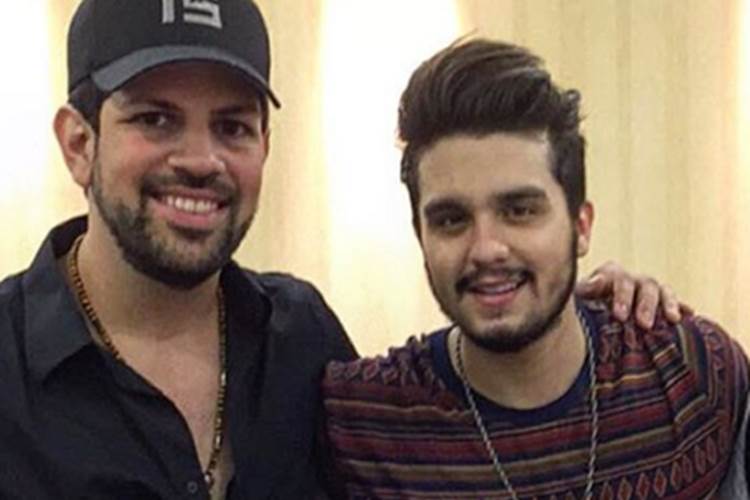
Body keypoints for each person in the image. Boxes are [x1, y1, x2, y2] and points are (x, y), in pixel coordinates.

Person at [0, 2, 682, 499]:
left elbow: (457, 423)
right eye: (155, 119)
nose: (201, 159)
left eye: (233, 127)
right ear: (79, 143)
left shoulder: (301, 335)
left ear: (264, 146)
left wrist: (576, 310)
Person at [322, 39, 749, 499]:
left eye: (520, 211)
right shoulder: (362, 419)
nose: (486, 249)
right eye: (451, 220)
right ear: (420, 235)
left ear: (580, 226)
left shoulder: (692, 371)